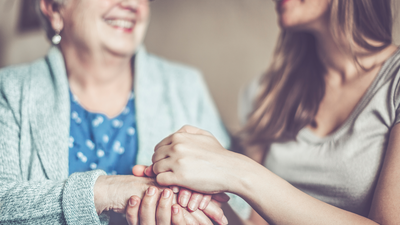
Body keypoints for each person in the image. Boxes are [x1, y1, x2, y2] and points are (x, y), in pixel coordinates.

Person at [146, 0, 400, 224]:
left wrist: (236, 170)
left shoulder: (394, 83)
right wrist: (205, 205)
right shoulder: (266, 92)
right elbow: (254, 222)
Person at [0, 0, 240, 224]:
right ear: (54, 8)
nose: (132, 4)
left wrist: (199, 199)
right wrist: (109, 191)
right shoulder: (9, 90)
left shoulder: (187, 86)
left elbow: (236, 209)